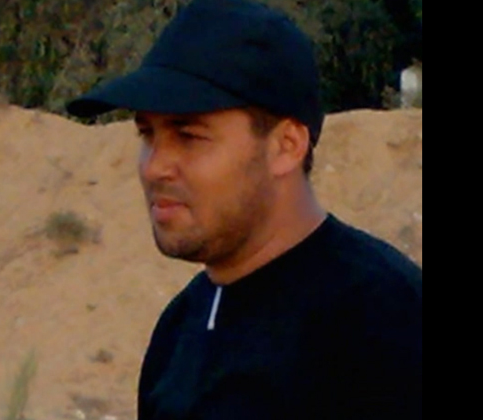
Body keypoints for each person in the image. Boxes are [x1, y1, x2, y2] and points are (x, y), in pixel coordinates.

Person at [65, 0, 422, 418]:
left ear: (286, 146)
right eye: (147, 135)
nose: (155, 166)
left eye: (189, 136)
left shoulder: (383, 323)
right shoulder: (179, 329)